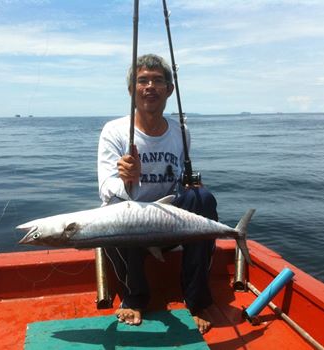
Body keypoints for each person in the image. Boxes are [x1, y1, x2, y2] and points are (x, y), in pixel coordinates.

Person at [97, 54, 218, 334]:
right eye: (142, 80)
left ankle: (197, 300)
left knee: (202, 198)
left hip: (168, 222)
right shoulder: (113, 131)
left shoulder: (181, 132)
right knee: (117, 212)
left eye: (157, 80)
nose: (150, 86)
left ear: (169, 90)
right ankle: (135, 296)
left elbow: (181, 182)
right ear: (131, 91)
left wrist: (191, 190)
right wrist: (127, 180)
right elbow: (105, 189)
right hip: (129, 227)